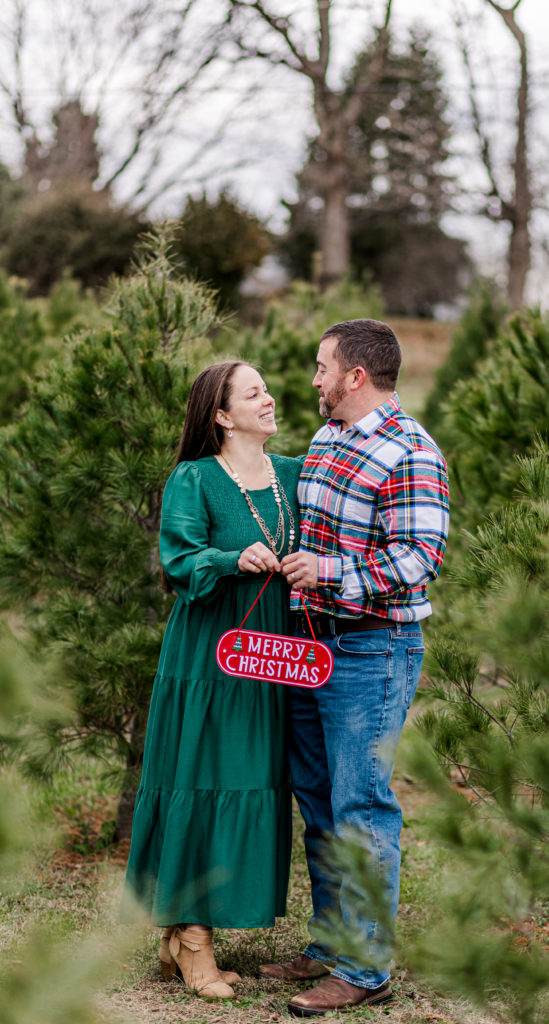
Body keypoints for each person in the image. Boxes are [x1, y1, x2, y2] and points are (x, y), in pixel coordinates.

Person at [260, 319, 450, 1016]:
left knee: (362, 806)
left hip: (373, 650)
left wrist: (331, 571)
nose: (313, 380)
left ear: (356, 375)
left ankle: (365, 971)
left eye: (322, 367)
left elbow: (417, 560)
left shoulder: (410, 452)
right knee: (318, 798)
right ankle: (331, 944)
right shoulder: (327, 437)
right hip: (312, 647)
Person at [123, 360, 301, 999]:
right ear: (221, 415)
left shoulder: (291, 474)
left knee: (251, 778)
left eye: (267, 389)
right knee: (201, 775)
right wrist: (232, 558)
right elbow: (179, 560)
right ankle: (192, 935)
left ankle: (185, 932)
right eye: (253, 393)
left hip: (269, 653)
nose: (270, 399)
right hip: (209, 649)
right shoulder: (193, 478)